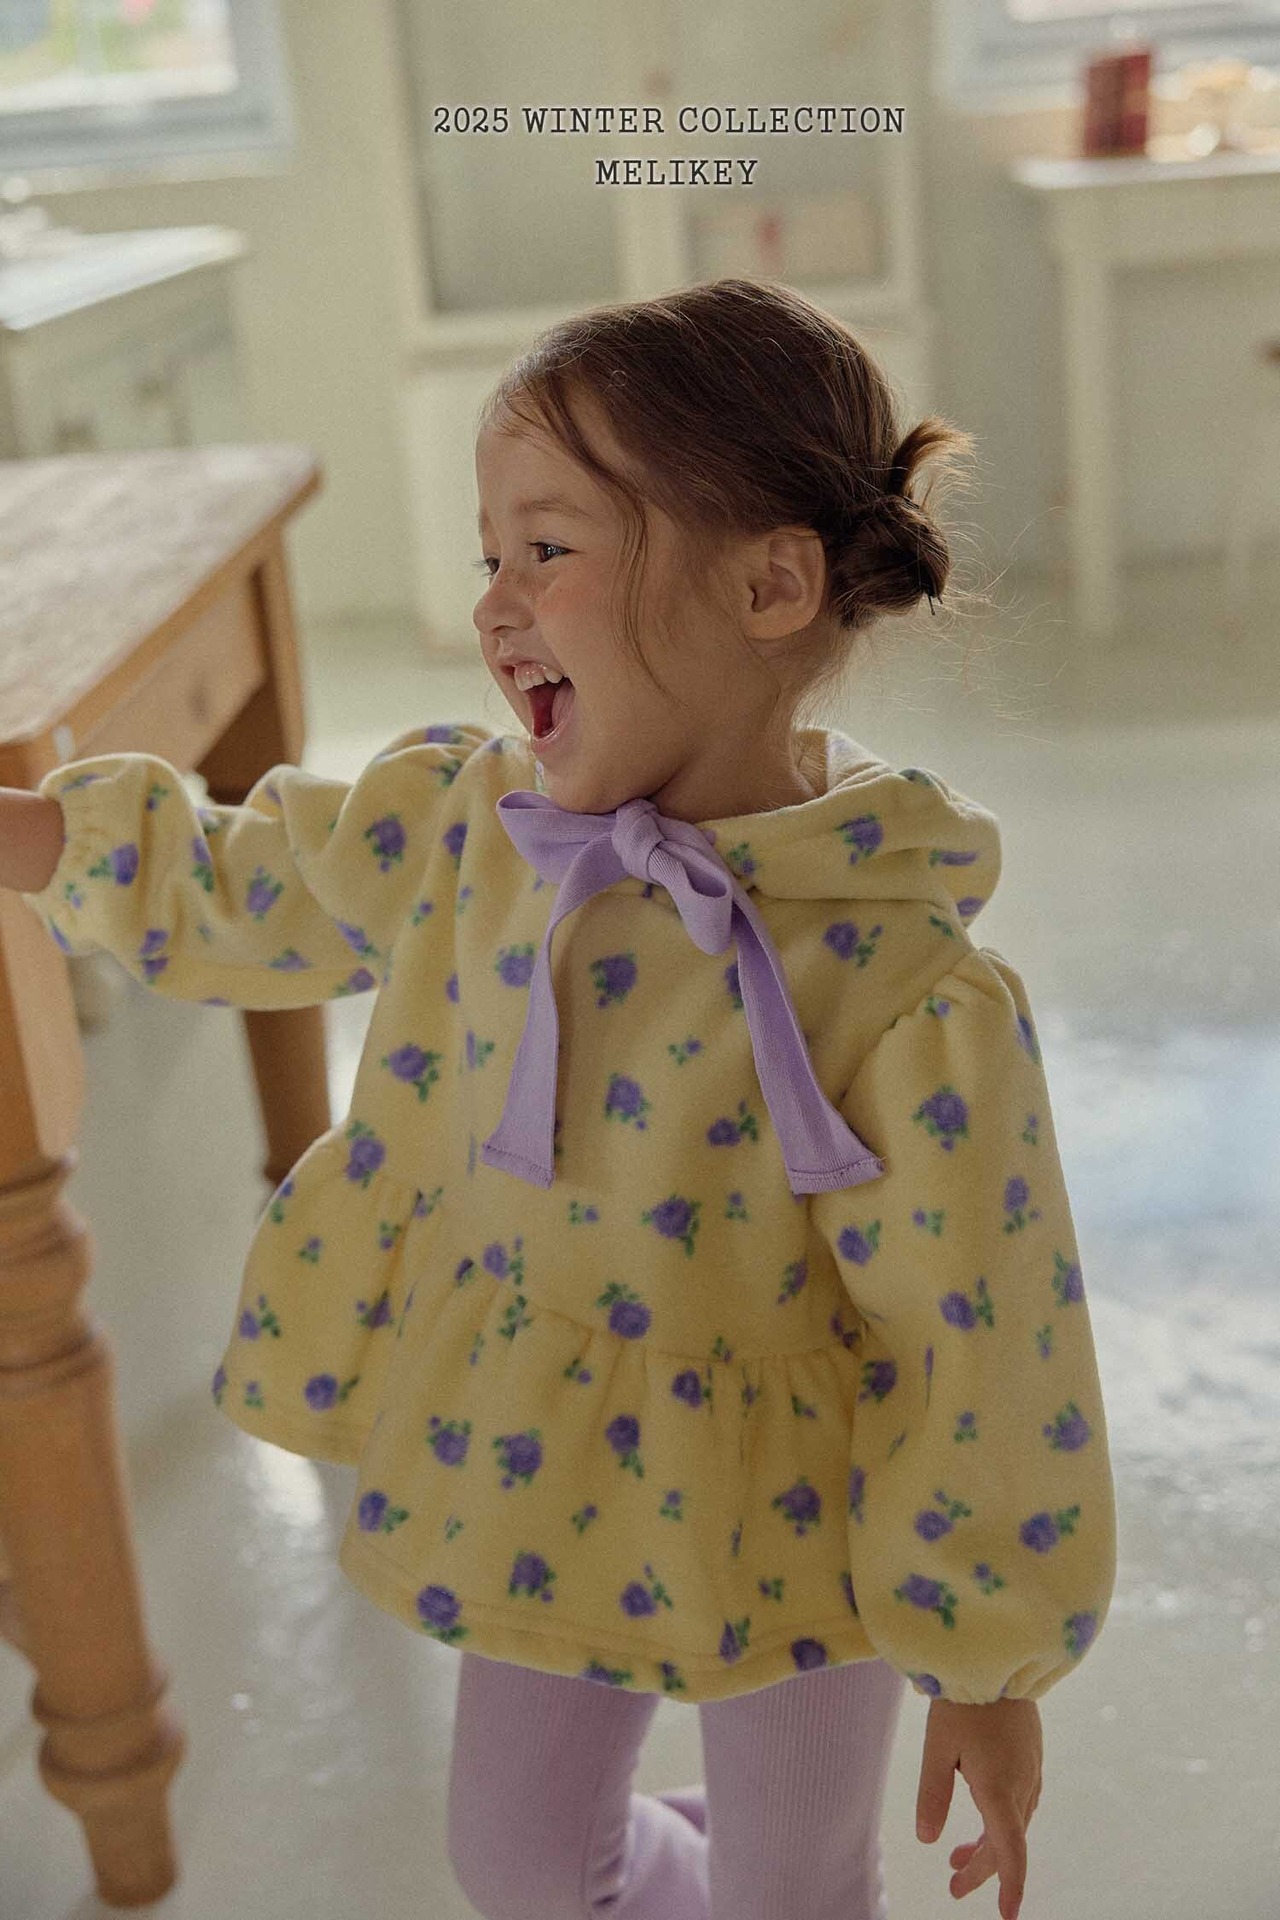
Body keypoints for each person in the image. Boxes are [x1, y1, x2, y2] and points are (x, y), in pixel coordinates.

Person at [0, 277, 1116, 1920]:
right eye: (489, 560)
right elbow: (259, 876)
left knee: (796, 1889)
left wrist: (990, 1668)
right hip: (540, 1465)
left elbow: (983, 1343)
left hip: (802, 1517)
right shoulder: (474, 829)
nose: (497, 608)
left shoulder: (904, 988)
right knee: (519, 1864)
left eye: (546, 548)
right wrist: (36, 837)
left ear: (770, 584)